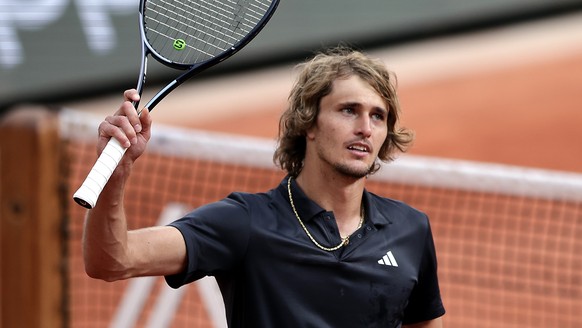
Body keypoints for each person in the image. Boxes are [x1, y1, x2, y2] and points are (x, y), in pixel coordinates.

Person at [83, 46, 445, 327]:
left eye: (377, 116)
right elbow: (112, 260)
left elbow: (423, 322)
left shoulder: (409, 229)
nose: (366, 128)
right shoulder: (245, 224)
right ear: (309, 124)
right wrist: (117, 173)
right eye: (349, 110)